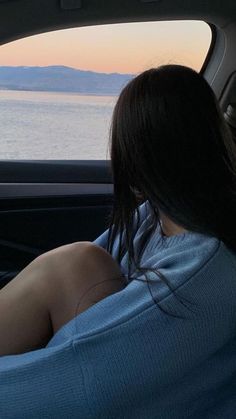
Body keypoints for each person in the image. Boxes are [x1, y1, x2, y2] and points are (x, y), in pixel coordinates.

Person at [0, 65, 236, 418]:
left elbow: (76, 378)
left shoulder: (200, 271)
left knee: (75, 262)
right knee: (77, 263)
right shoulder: (156, 217)